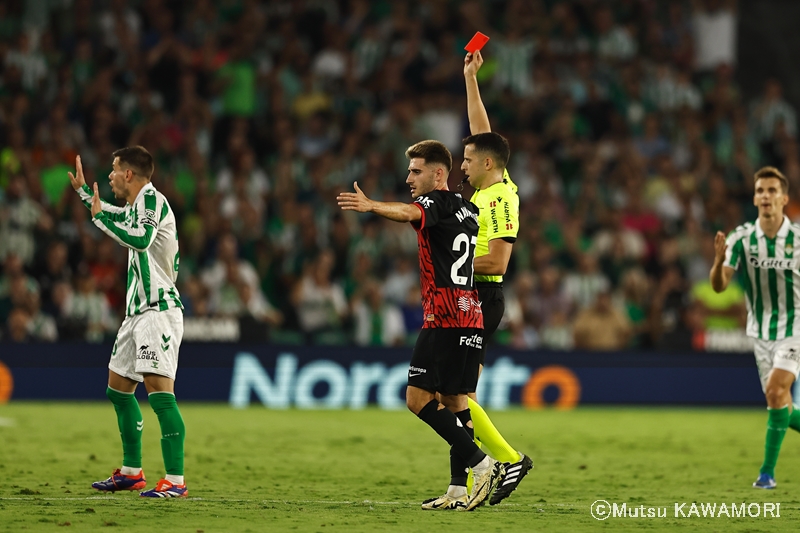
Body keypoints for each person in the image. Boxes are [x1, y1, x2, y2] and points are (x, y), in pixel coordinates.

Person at [337, 140, 505, 511]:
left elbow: (409, 213)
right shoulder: (467, 208)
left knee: (417, 399)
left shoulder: (438, 202)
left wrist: (371, 206)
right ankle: (458, 489)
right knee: (456, 402)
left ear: (438, 173)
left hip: (444, 314)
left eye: (416, 171)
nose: (409, 178)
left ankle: (483, 464)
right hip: (470, 311)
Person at [68, 147, 188, 498]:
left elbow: (141, 238)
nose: (109, 176)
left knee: (160, 394)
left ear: (129, 175)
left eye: (114, 169)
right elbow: (120, 217)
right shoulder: (137, 207)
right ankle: (133, 472)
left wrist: (98, 218)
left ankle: (176, 481)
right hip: (136, 312)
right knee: (118, 388)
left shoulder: (152, 200)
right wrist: (85, 196)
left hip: (158, 311)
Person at [456, 49, 532, 505]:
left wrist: (452, 263)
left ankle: (507, 459)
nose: (463, 165)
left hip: (483, 297)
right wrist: (471, 79)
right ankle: (472, 481)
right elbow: (482, 131)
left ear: (486, 165)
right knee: (458, 396)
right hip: (468, 298)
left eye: (468, 159)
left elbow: (498, 264)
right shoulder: (490, 185)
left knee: (458, 396)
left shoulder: (500, 200)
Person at [710, 166, 800, 489]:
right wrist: (718, 263)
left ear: (784, 198)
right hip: (760, 332)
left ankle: (766, 474)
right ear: (754, 198)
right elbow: (719, 287)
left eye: (772, 190)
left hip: (795, 328)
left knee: (777, 391)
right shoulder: (741, 238)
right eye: (761, 190)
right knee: (781, 407)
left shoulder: (799, 239)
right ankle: (767, 474)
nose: (766, 196)